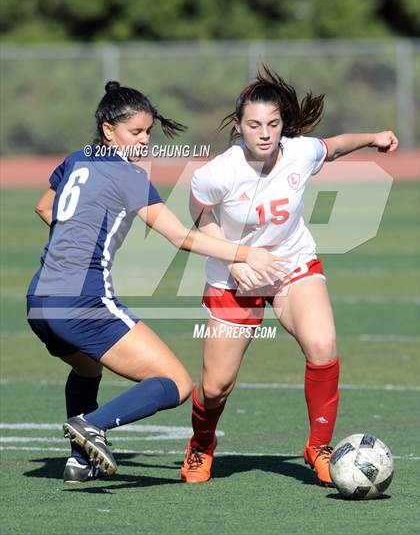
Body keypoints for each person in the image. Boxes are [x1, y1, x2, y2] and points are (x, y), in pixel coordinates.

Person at [26, 81, 284, 483]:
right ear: (108, 130)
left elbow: (45, 206)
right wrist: (246, 253)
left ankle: (79, 460)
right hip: (81, 300)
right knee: (175, 382)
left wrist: (80, 241)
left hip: (40, 299)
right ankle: (91, 426)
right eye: (136, 132)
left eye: (149, 131)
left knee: (87, 370)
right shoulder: (128, 176)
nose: (145, 140)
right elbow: (181, 237)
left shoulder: (76, 159)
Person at [180, 65, 399, 486]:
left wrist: (373, 138)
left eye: (273, 124)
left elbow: (333, 147)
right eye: (254, 124)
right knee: (215, 387)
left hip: (291, 264)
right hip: (234, 278)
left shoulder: (298, 152)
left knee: (323, 344)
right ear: (239, 126)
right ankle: (201, 445)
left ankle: (319, 447)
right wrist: (236, 260)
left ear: (283, 125)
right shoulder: (218, 174)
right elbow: (198, 216)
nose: (264, 133)